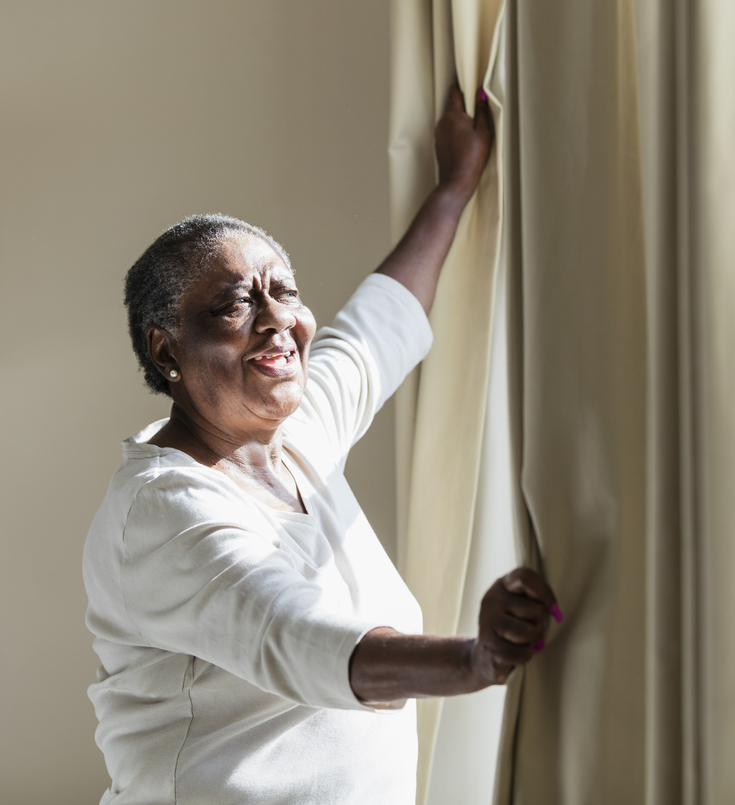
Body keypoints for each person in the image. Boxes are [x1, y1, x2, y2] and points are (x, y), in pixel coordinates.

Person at [82, 86, 559, 805]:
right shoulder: (162, 514)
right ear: (166, 348)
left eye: (286, 291)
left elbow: (376, 329)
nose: (278, 320)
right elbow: (292, 635)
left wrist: (457, 185)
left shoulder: (288, 439)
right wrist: (474, 661)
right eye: (237, 303)